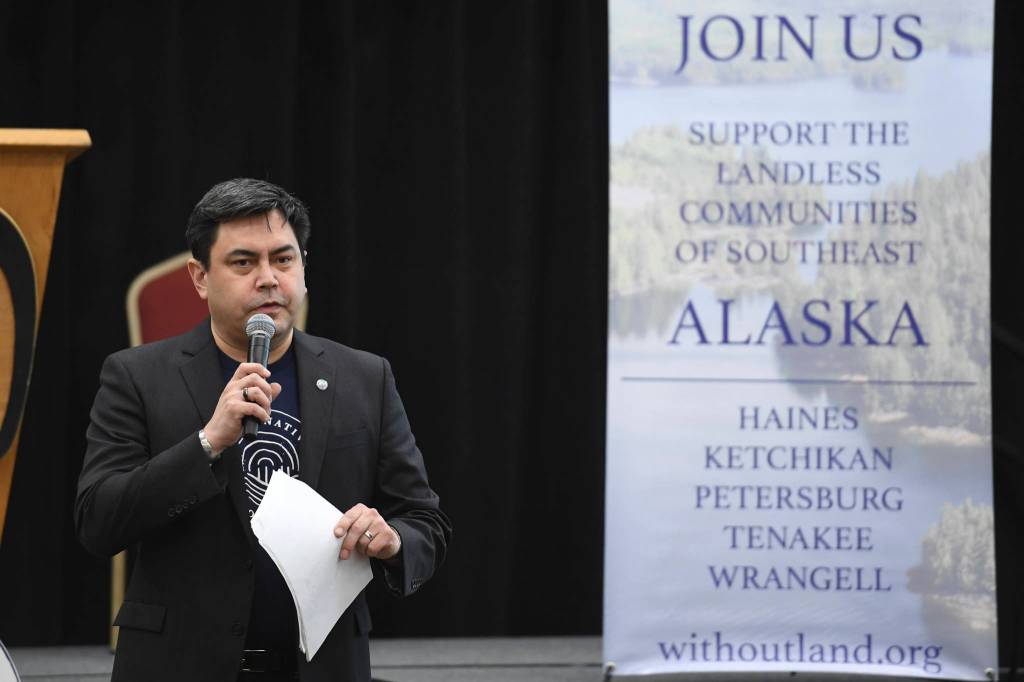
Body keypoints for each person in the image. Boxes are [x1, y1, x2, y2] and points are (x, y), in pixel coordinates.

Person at [75, 178, 451, 682]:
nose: (269, 279)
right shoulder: (137, 377)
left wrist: (393, 541)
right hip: (178, 666)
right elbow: (98, 522)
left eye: (284, 259)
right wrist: (208, 442)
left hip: (321, 668)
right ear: (200, 277)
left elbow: (425, 522)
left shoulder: (364, 377)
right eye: (243, 262)